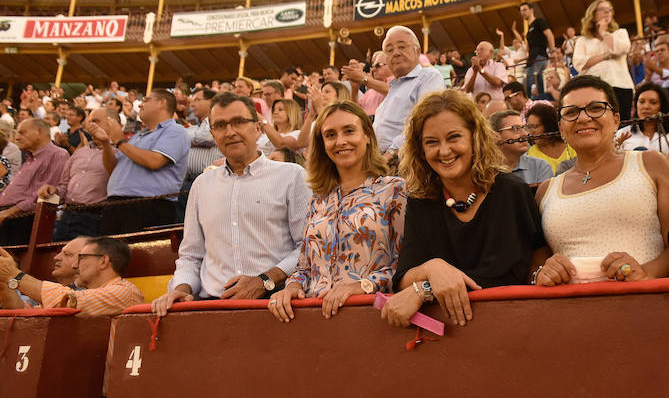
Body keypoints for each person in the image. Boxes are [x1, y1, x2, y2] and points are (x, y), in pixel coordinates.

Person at [381, 89, 544, 328]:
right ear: (421, 150)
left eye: (454, 137)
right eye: (432, 142)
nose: (444, 151)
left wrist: (425, 289)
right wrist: (432, 268)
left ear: (474, 137)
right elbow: (404, 277)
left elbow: (503, 277)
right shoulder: (422, 200)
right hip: (445, 341)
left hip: (509, 328)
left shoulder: (510, 192)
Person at [151, 92, 312, 315]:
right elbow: (191, 256)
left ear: (257, 128)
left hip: (275, 305)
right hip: (211, 308)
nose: (230, 132)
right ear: (213, 134)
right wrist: (182, 288)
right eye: (220, 125)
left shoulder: (291, 176)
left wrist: (263, 280)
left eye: (238, 122)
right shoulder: (201, 185)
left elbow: (307, 247)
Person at [533, 75, 669, 285]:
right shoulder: (546, 190)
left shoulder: (650, 164)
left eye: (595, 108)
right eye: (571, 112)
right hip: (569, 311)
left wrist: (645, 272)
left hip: (644, 304)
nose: (583, 118)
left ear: (616, 120)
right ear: (562, 129)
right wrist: (542, 274)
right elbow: (535, 266)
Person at [268, 101, 405, 321]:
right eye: (330, 135)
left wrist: (362, 286)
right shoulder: (318, 200)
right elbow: (304, 267)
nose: (340, 141)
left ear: (368, 136)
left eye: (349, 131)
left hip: (371, 317)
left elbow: (406, 267)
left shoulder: (394, 190)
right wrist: (292, 286)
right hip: (316, 321)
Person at [91, 89, 190, 235]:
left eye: (146, 100)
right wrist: (107, 143)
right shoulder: (137, 136)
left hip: (148, 206)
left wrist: (119, 141)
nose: (139, 105)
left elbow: (155, 161)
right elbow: (113, 170)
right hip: (116, 204)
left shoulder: (176, 131)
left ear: (162, 103)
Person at [0, 237, 143, 316]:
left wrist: (14, 274)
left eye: (81, 258)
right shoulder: (89, 293)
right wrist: (4, 282)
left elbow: (68, 301)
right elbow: (26, 313)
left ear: (103, 261)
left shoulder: (124, 292)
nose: (75, 265)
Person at [37, 107, 120, 241]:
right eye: (90, 121)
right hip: (67, 215)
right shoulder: (80, 152)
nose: (91, 125)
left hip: (95, 218)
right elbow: (64, 186)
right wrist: (54, 191)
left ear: (113, 123)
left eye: (96, 121)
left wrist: (106, 143)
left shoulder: (120, 153)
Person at [373, 26, 445, 157]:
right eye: (389, 50)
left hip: (404, 160)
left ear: (417, 52)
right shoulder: (394, 89)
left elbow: (424, 120)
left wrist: (390, 153)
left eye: (402, 47)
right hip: (380, 160)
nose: (395, 53)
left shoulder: (428, 77)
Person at [0, 119, 69, 245]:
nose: (17, 137)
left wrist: (8, 212)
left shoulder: (57, 155)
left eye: (22, 133)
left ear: (39, 132)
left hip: (22, 220)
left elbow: (43, 195)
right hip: (7, 217)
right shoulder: (31, 158)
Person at [573, 0, 634, 120]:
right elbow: (580, 63)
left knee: (623, 124)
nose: (607, 12)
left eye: (609, 10)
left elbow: (619, 49)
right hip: (595, 88)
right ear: (593, 14)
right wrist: (606, 56)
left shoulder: (620, 33)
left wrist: (603, 32)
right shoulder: (582, 40)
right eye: (602, 9)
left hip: (621, 85)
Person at [489, 110, 553, 185]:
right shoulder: (484, 169)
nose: (525, 134)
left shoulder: (540, 167)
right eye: (516, 128)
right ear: (495, 136)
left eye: (524, 128)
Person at [615, 82, 669, 155]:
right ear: (636, 105)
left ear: (661, 107)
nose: (646, 106)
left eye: (653, 102)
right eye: (642, 102)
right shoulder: (622, 134)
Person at [525, 103, 576, 175]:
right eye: (529, 127)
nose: (531, 132)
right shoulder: (532, 153)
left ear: (548, 126)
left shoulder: (571, 145)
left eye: (535, 127)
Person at [520, 2, 555, 98]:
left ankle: (527, 104)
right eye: (521, 11)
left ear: (531, 10)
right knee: (540, 86)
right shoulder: (529, 30)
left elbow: (549, 34)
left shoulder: (539, 21)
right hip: (533, 58)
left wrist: (552, 52)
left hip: (539, 56)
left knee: (527, 83)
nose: (523, 12)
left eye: (525, 9)